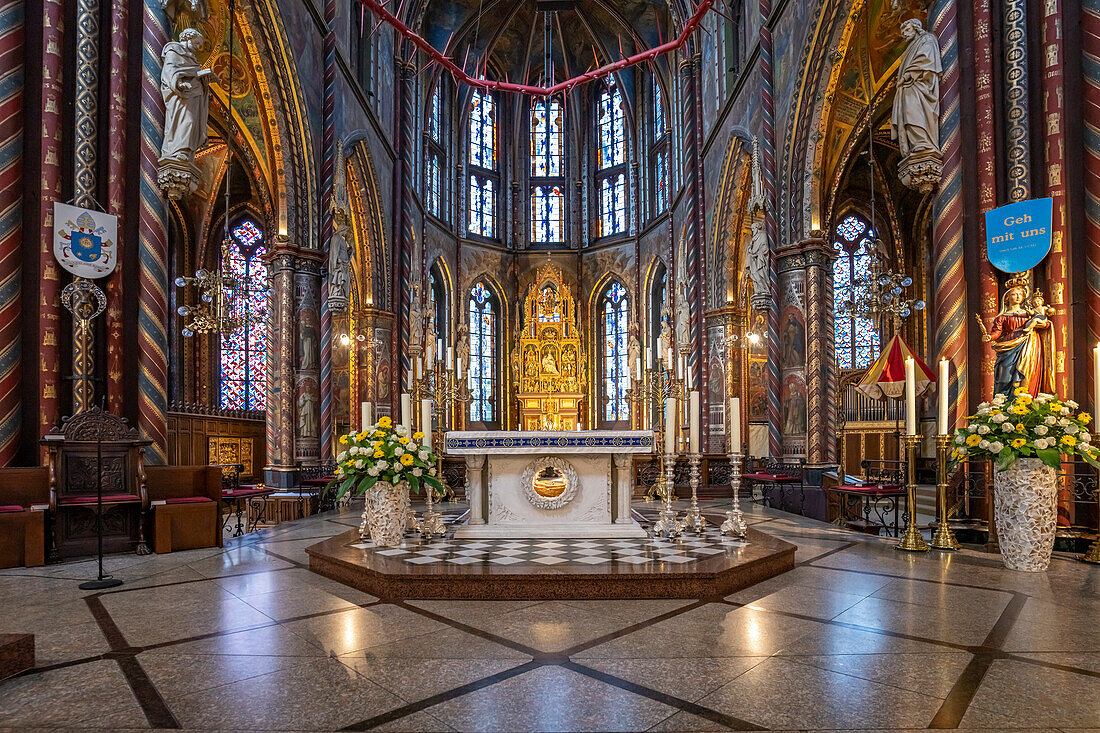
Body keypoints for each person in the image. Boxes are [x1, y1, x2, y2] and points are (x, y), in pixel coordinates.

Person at [980, 284, 1054, 399]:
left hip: (1029, 344)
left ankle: (1023, 404)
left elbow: (1044, 322)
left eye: (1020, 294)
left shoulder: (1029, 313)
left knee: (1026, 375)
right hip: (1009, 346)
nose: (1018, 296)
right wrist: (989, 337)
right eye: (1014, 294)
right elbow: (997, 332)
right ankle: (1002, 406)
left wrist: (1044, 324)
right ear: (1007, 298)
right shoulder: (1002, 317)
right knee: (1004, 378)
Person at [160, 28, 217, 165]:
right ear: (187, 38)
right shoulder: (174, 50)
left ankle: (186, 153)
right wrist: (179, 83)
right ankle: (177, 151)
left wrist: (204, 79)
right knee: (187, 120)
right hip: (181, 94)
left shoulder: (192, 59)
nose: (198, 48)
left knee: (192, 122)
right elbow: (170, 70)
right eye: (196, 43)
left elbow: (190, 72)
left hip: (194, 94)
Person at [890, 18, 943, 159]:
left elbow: (925, 59)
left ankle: (923, 142)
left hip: (919, 84)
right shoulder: (910, 48)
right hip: (909, 87)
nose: (904, 34)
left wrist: (907, 75)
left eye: (907, 30)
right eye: (902, 32)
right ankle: (917, 143)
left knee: (913, 111)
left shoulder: (927, 39)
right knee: (908, 114)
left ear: (916, 28)